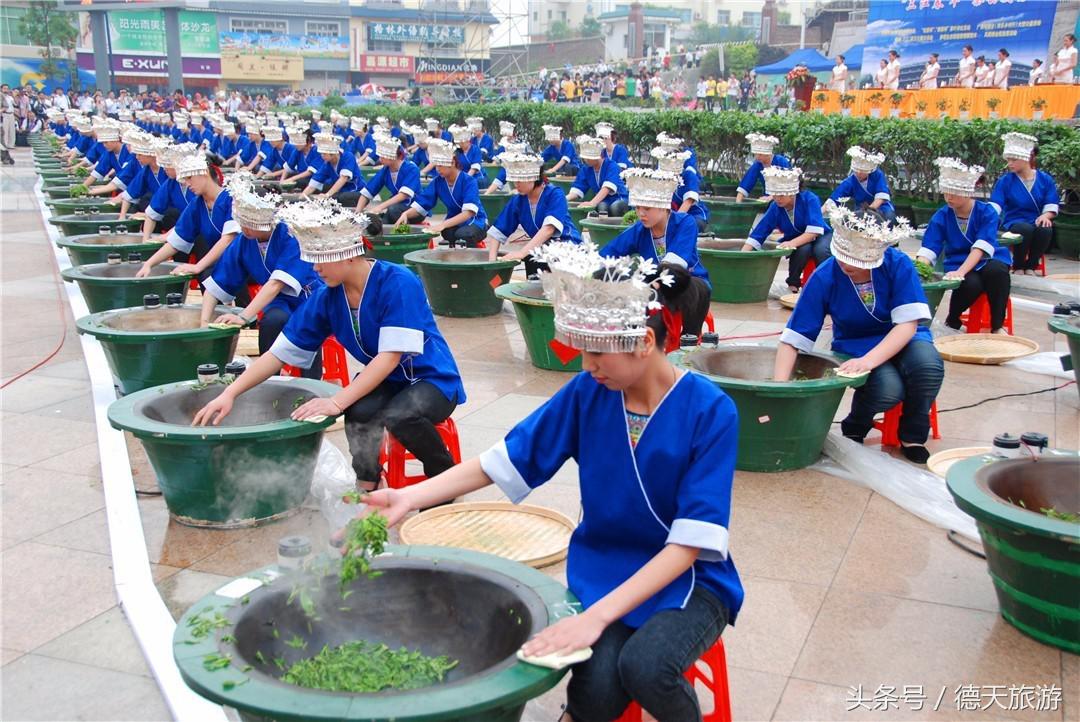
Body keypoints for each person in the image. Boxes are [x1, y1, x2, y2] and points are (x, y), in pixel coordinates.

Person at [359, 239, 741, 722]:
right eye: (584, 352)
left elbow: (690, 545)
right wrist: (410, 495)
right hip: (608, 568)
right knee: (596, 693)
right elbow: (506, 458)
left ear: (644, 342)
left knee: (646, 667)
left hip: (690, 580)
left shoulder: (711, 411)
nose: (586, 366)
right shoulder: (588, 393)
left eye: (599, 354)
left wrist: (595, 618)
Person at [193, 198, 466, 494]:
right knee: (360, 410)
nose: (315, 268)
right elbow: (278, 354)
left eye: (321, 259)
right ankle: (368, 480)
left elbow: (389, 358)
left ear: (349, 254)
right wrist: (230, 393)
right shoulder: (327, 297)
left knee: (401, 415)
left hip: (430, 380)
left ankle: (444, 481)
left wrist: (335, 402)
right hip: (389, 380)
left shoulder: (398, 282)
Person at [776, 208, 943, 464]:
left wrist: (868, 362)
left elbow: (907, 326)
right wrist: (779, 388)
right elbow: (794, 336)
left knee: (927, 366)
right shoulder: (826, 275)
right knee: (888, 389)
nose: (846, 265)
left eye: (855, 261)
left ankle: (912, 435)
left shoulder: (897, 264)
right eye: (842, 257)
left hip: (904, 336)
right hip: (856, 342)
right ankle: (855, 423)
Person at [199, 172, 322, 373]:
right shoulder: (244, 241)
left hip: (309, 298)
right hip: (280, 301)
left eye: (250, 223)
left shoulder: (290, 235)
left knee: (307, 327)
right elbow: (219, 282)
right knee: (272, 321)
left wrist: (243, 316)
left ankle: (311, 383)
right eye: (243, 221)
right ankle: (270, 376)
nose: (245, 228)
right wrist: (204, 322)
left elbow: (276, 284)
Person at [602, 168, 712, 338]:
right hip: (655, 285)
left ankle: (689, 339)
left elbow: (675, 266)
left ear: (663, 206)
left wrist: (644, 280)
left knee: (687, 288)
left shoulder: (686, 223)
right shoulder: (640, 230)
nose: (641, 213)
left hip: (690, 282)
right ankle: (637, 341)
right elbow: (608, 253)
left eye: (647, 208)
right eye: (638, 207)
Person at [917, 158, 1011, 334]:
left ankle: (997, 326)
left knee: (997, 272)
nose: (949, 197)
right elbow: (930, 247)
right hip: (958, 261)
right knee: (970, 284)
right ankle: (953, 319)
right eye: (946, 193)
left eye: (954, 193)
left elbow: (981, 247)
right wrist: (919, 269)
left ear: (969, 191)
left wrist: (962, 271)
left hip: (988, 259)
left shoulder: (987, 212)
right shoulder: (942, 215)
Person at [136, 151, 239, 279]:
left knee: (208, 272)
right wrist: (149, 264)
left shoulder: (232, 199)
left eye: (190, 178)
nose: (187, 184)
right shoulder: (197, 204)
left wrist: (198, 266)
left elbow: (228, 239)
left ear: (205, 172)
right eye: (185, 179)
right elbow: (178, 239)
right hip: (220, 261)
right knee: (206, 274)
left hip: (239, 261)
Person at [484, 152, 581, 277]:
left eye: (520, 180)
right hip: (541, 248)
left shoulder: (555, 194)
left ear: (533, 177)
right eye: (514, 180)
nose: (516, 184)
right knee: (532, 258)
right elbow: (498, 231)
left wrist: (521, 252)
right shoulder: (518, 200)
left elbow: (549, 229)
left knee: (533, 255)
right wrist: (492, 263)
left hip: (569, 247)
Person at [742, 166, 832, 293]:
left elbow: (814, 232)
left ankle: (828, 283)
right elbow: (759, 232)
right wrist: (741, 255)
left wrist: (791, 243)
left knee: (821, 250)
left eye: (782, 195)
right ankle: (793, 283)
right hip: (797, 237)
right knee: (803, 249)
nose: (777, 198)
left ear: (793, 191)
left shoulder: (810, 199)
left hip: (821, 235)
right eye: (775, 194)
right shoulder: (775, 207)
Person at [395, 137, 488, 248]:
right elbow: (423, 202)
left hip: (476, 221)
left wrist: (442, 224)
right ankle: (453, 253)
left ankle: (473, 257)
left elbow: (469, 213)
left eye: (440, 165)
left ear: (452, 162)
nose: (437, 169)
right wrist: (405, 214)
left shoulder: (469, 181)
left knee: (463, 234)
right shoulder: (438, 182)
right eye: (436, 165)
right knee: (447, 232)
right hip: (455, 221)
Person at [989, 133, 1059, 275]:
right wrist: (986, 217)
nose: (1010, 164)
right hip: (1015, 221)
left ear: (1026, 158)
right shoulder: (1005, 181)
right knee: (1024, 229)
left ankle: (1031, 265)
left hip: (1036, 219)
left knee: (1045, 228)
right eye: (1008, 160)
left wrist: (1046, 216)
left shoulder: (1045, 179)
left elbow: (1051, 202)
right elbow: (996, 204)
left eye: (1013, 160)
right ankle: (1018, 265)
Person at [355, 133, 422, 224]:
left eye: (382, 156)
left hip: (415, 208)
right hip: (397, 207)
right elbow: (368, 191)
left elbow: (403, 195)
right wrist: (357, 213)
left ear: (392, 156)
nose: (380, 159)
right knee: (374, 221)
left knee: (393, 210)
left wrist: (379, 207)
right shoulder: (385, 170)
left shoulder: (411, 168)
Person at [825, 146, 896, 224]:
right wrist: (819, 213)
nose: (859, 173)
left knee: (890, 218)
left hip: (881, 207)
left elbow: (881, 197)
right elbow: (834, 199)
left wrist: (870, 212)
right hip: (861, 209)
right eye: (856, 170)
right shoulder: (850, 181)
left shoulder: (877, 175)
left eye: (862, 171)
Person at [141, 142, 197, 239]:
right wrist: (145, 239)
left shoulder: (197, 184)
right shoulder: (170, 183)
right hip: (182, 229)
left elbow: (193, 219)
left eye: (168, 166)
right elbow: (153, 212)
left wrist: (165, 236)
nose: (164, 169)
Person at [567, 135, 630, 218]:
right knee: (601, 207)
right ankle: (605, 229)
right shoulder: (586, 169)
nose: (586, 160)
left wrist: (592, 203)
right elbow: (577, 188)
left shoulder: (612, 166)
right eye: (585, 158)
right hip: (604, 200)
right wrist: (564, 199)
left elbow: (607, 188)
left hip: (619, 198)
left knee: (616, 207)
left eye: (589, 158)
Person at [653, 146, 708, 233]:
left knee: (687, 226)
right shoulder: (661, 177)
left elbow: (688, 202)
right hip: (671, 216)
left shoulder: (688, 176)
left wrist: (672, 224)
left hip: (693, 215)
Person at [302, 131, 362, 206]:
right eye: (321, 154)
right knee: (324, 194)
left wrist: (327, 195)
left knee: (333, 199)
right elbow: (314, 183)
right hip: (341, 191)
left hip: (355, 190)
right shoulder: (327, 164)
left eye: (324, 154)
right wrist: (302, 197)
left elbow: (343, 178)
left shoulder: (347, 157)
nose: (322, 156)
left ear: (333, 153)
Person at [736, 133, 791, 203]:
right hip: (768, 200)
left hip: (786, 199)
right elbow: (745, 185)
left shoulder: (781, 162)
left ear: (768, 154)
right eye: (755, 154)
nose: (757, 157)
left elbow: (787, 185)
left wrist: (771, 197)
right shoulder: (758, 165)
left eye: (760, 155)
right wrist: (738, 204)